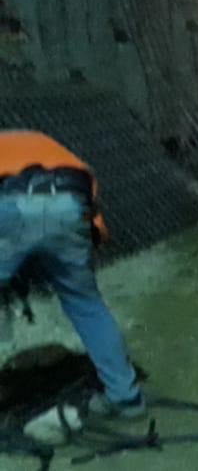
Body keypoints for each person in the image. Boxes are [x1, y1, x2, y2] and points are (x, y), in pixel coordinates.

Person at [0, 130, 144, 420]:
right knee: (87, 304)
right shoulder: (41, 143)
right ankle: (126, 399)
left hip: (12, 204)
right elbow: (96, 230)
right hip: (71, 202)